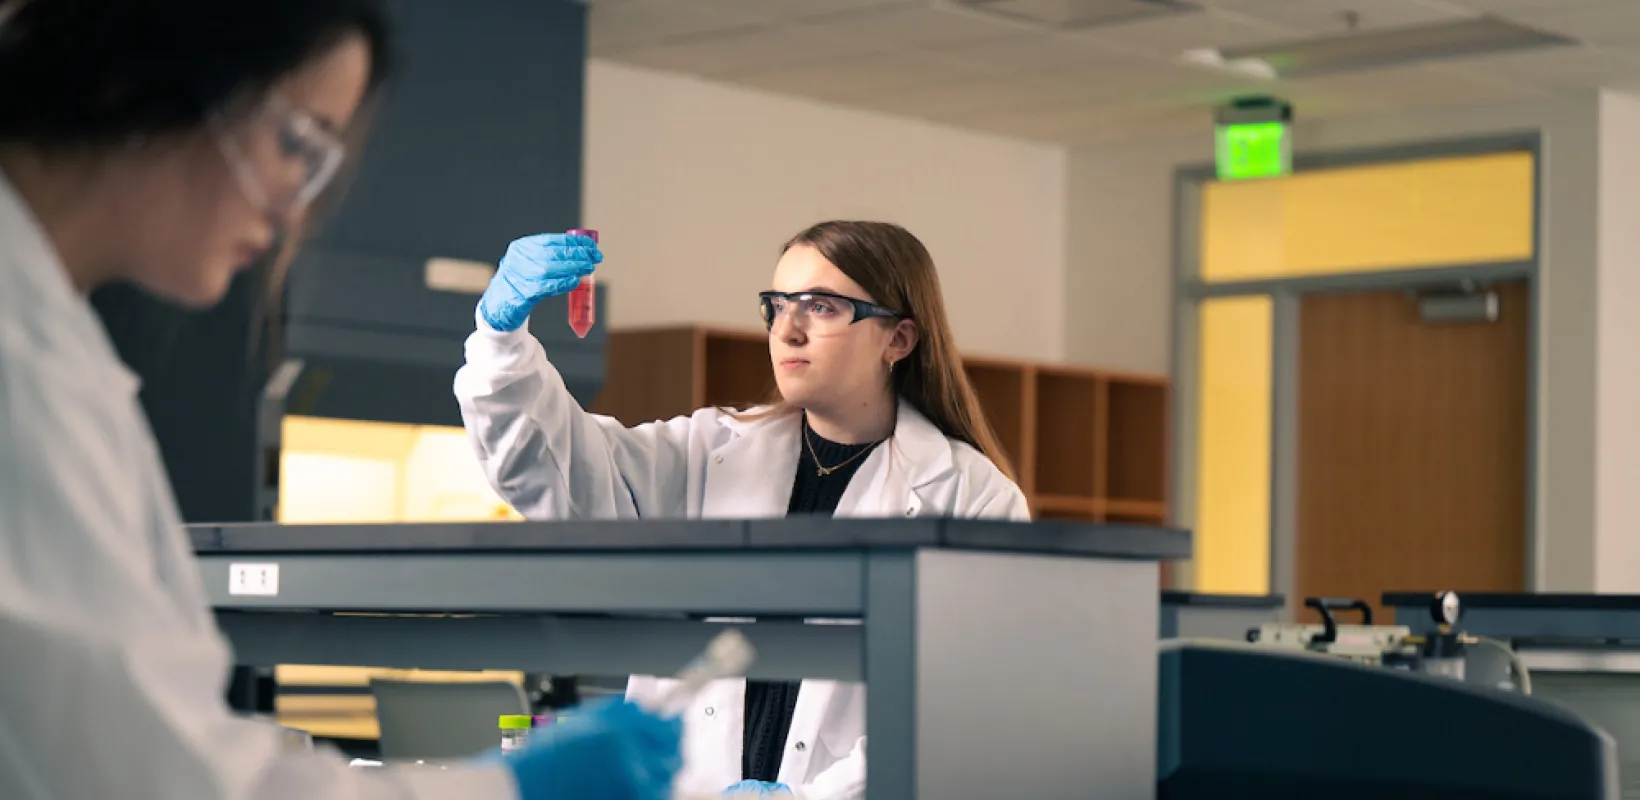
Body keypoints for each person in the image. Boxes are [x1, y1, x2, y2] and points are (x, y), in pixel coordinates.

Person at [0, 2, 681, 798]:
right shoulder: (23, 366)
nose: (299, 204)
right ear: (139, 77)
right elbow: (163, 777)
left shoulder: (49, 336)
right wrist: (504, 791)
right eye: (296, 143)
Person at [456, 220, 1031, 797]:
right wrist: (501, 340)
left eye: (822, 307)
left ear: (899, 339)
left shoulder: (971, 498)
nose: (789, 330)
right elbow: (555, 476)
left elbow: (964, 699)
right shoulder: (709, 450)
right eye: (777, 306)